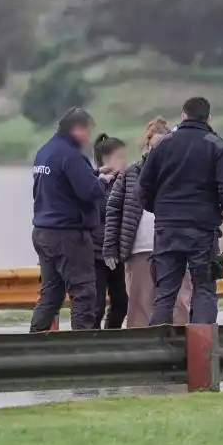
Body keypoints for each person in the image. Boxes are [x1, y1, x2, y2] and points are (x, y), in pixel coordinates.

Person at [139, 97, 223, 325]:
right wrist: (221, 211)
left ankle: (159, 344)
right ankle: (202, 345)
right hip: (202, 230)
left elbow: (142, 189)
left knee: (165, 293)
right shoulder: (219, 147)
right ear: (208, 118)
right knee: (203, 289)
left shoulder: (162, 146)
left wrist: (160, 211)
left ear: (183, 115)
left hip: (167, 229)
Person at [29, 107, 114, 332]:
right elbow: (89, 192)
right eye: (87, 131)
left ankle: (33, 344)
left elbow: (62, 184)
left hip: (43, 231)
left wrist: (94, 174)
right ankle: (80, 347)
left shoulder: (45, 152)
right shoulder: (71, 155)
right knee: (83, 293)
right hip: (69, 235)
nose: (88, 137)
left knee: (50, 295)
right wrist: (103, 181)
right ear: (77, 129)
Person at [103, 117, 194, 327]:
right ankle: (142, 346)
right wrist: (110, 248)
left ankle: (179, 343)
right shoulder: (130, 173)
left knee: (179, 304)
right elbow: (114, 209)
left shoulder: (181, 172)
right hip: (140, 248)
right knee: (140, 307)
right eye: (153, 145)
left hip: (175, 246)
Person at [92, 134, 130, 329]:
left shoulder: (127, 183)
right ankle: (92, 340)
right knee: (95, 306)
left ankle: (111, 336)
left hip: (118, 253)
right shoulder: (91, 184)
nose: (125, 161)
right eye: (120, 157)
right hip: (94, 253)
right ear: (105, 160)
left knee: (122, 302)